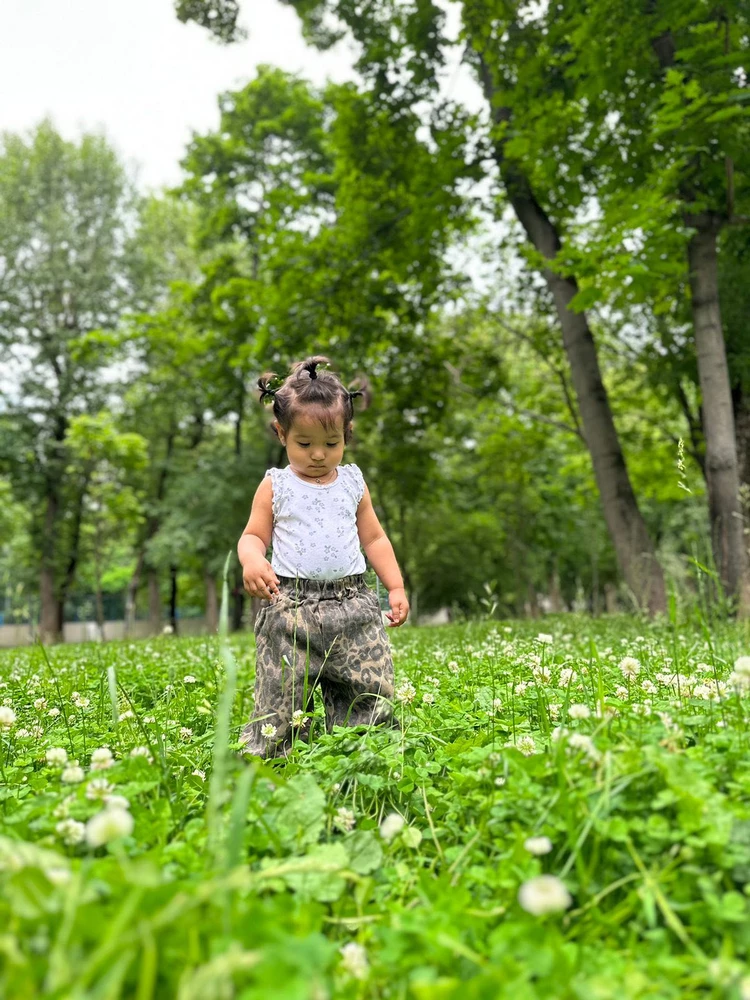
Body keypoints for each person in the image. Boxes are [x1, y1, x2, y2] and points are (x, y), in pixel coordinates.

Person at [237, 355, 409, 758]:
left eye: (331, 444)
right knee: (279, 698)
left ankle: (366, 752)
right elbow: (252, 535)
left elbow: (376, 539)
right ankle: (269, 762)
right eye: (305, 443)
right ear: (281, 433)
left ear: (347, 434)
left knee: (369, 688)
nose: (318, 454)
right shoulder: (276, 486)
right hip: (290, 608)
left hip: (355, 606)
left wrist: (395, 586)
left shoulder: (352, 482)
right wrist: (252, 560)